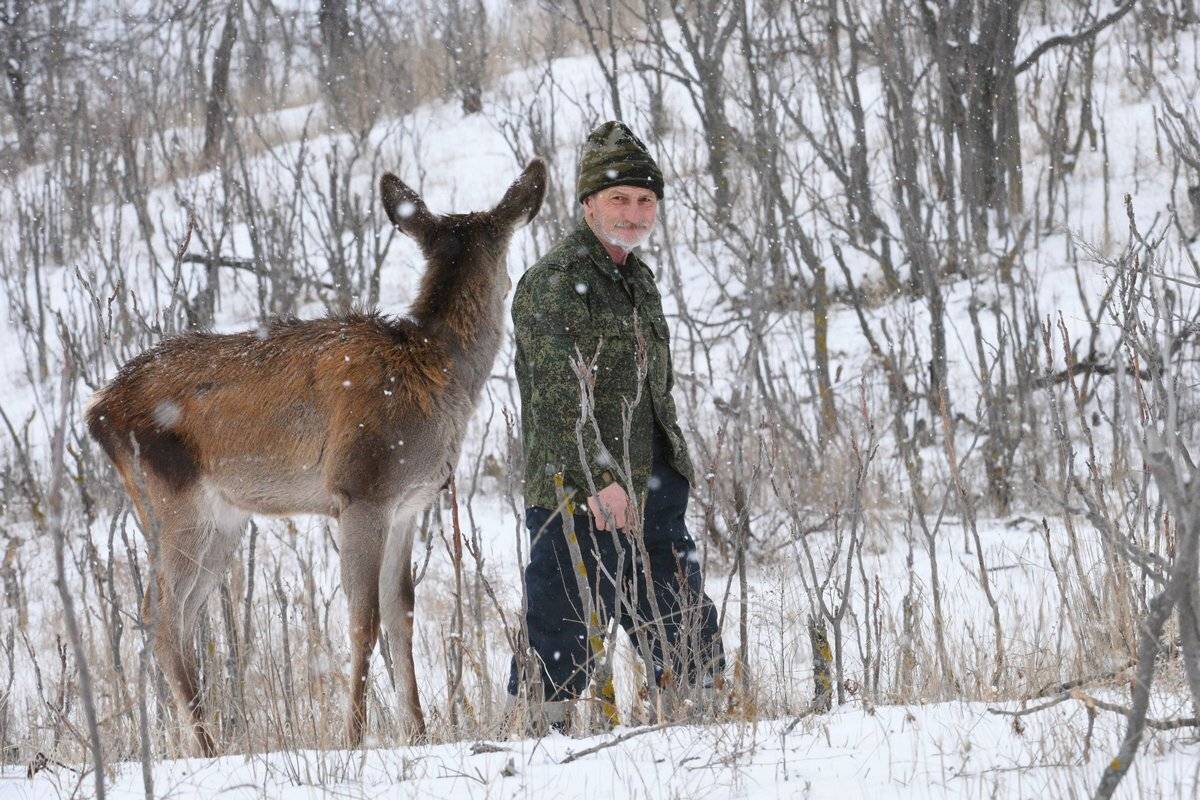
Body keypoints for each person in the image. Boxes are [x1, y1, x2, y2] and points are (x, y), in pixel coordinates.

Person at [507, 120, 725, 731]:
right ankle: (540, 746)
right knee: (562, 624)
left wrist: (668, 466)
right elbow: (557, 401)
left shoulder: (638, 279)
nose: (633, 213)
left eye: (645, 200)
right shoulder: (553, 285)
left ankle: (701, 738)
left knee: (681, 619)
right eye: (619, 199)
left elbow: (651, 391)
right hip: (578, 491)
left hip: (650, 484)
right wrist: (600, 478)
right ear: (587, 205)